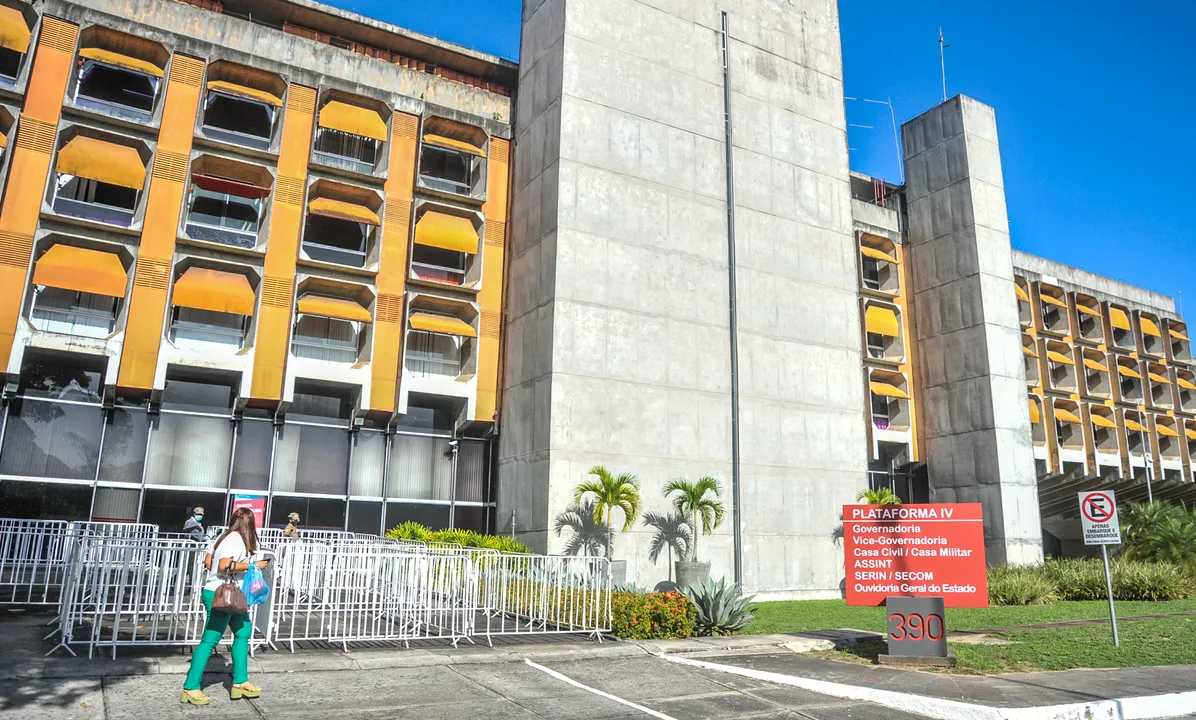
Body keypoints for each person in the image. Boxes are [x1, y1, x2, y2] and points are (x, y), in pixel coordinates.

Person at [181, 507, 270, 705]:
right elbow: (223, 565)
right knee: (210, 640)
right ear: (249, 525)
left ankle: (240, 681)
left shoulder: (223, 537)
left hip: (226, 593)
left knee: (243, 632)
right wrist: (253, 565)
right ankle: (191, 686)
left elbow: (208, 560)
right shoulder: (235, 539)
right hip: (223, 595)